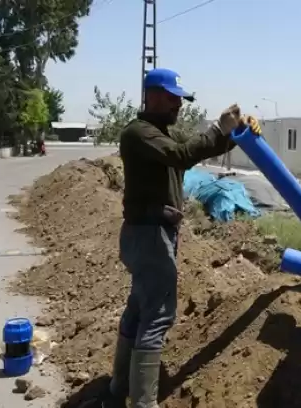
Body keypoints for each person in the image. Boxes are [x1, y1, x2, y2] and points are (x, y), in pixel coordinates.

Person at [102, 68, 249, 408]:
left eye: (179, 98)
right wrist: (218, 128)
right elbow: (182, 154)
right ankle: (142, 402)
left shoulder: (158, 135)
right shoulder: (140, 133)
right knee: (157, 315)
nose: (177, 104)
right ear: (150, 95)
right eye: (171, 97)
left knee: (139, 308)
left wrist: (235, 135)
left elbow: (186, 153)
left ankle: (119, 386)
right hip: (150, 235)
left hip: (149, 234)